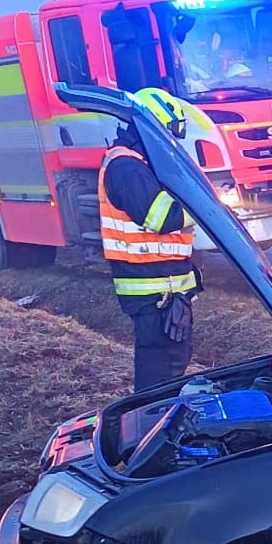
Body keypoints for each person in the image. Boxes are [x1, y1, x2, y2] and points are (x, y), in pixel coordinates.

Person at [98, 88, 201, 391]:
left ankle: (154, 414)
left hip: (162, 290)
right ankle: (151, 418)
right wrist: (201, 208)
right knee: (161, 373)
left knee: (169, 365)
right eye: (167, 134)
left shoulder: (138, 164)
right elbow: (162, 218)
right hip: (154, 293)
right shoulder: (127, 168)